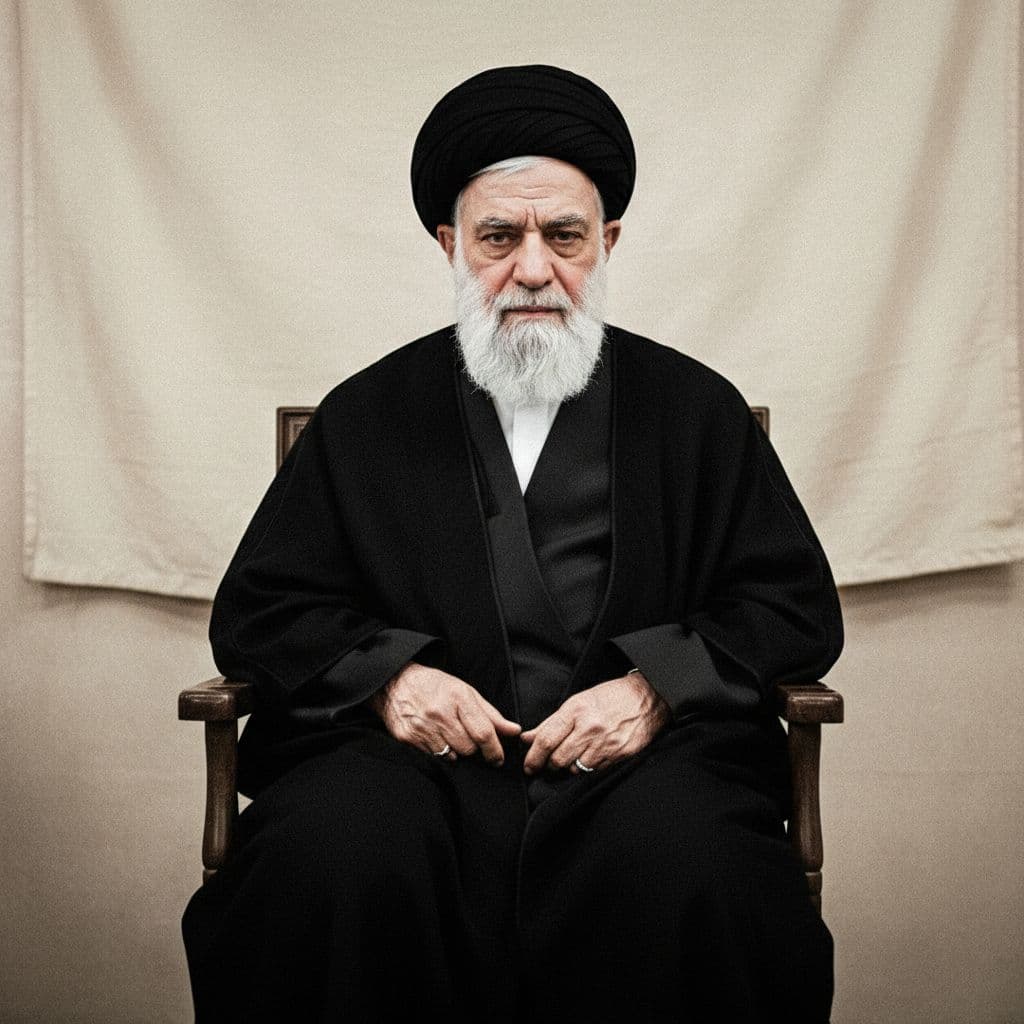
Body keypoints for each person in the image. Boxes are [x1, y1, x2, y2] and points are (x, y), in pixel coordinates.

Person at [182, 64, 843, 1023]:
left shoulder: (693, 412)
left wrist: (655, 690)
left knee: (698, 865)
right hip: (409, 775)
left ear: (606, 240)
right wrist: (391, 683)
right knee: (330, 858)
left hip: (639, 769)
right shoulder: (368, 416)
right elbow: (265, 612)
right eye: (499, 236)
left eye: (564, 235)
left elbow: (788, 606)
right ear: (450, 243)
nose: (533, 268)